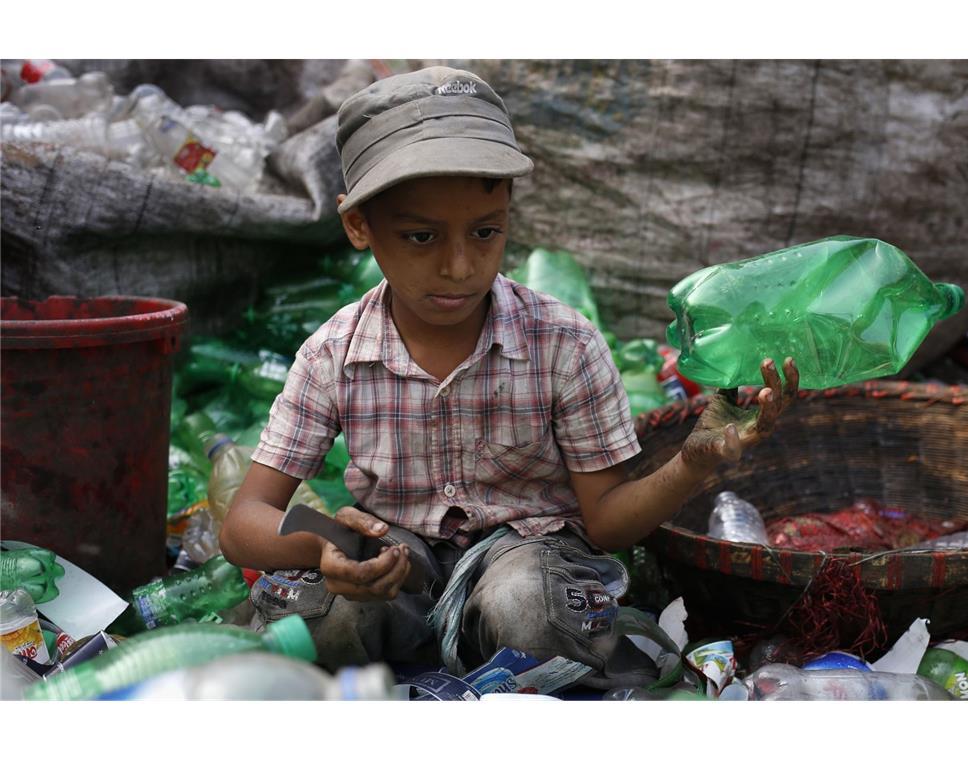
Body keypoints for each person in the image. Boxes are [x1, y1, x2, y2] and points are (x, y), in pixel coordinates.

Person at [218, 66, 799, 689]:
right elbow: (244, 521)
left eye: (486, 232)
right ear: (359, 224)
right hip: (398, 557)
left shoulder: (564, 342)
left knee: (526, 608)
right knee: (325, 620)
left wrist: (692, 462)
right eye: (421, 236)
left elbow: (605, 523)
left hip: (532, 553)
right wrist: (322, 549)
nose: (460, 265)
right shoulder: (334, 353)